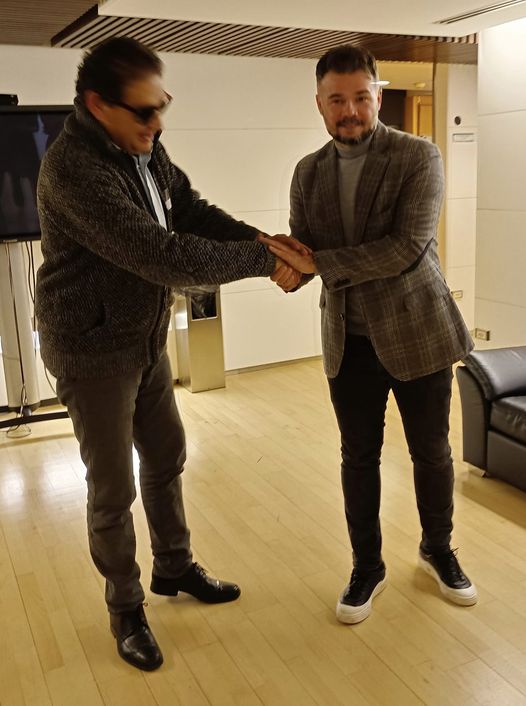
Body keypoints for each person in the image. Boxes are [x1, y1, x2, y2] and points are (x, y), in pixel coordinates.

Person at [35, 37, 300, 671]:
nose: (158, 123)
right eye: (145, 111)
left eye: (163, 106)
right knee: (112, 488)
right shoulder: (74, 171)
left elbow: (189, 211)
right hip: (92, 349)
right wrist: (265, 263)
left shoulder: (144, 146)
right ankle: (126, 609)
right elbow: (164, 255)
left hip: (144, 337)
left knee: (167, 454)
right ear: (98, 105)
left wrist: (264, 241)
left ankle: (174, 567)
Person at [260, 44, 477, 625]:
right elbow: (308, 251)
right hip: (348, 342)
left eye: (361, 97)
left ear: (378, 96)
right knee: (358, 457)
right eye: (337, 100)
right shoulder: (307, 172)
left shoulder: (419, 156)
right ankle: (367, 566)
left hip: (419, 333)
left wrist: (315, 264)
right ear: (319, 104)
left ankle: (438, 549)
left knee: (432, 452)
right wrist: (288, 268)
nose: (350, 110)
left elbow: (406, 248)